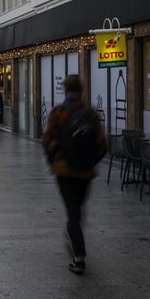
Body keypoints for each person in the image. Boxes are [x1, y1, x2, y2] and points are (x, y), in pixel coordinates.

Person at [42, 74, 107, 275]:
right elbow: (102, 145)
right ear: (82, 89)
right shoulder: (91, 114)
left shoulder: (59, 112)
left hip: (65, 170)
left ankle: (78, 257)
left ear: (65, 89)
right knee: (77, 209)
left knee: (73, 212)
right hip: (85, 172)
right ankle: (74, 234)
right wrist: (89, 162)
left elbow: (48, 140)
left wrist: (54, 161)